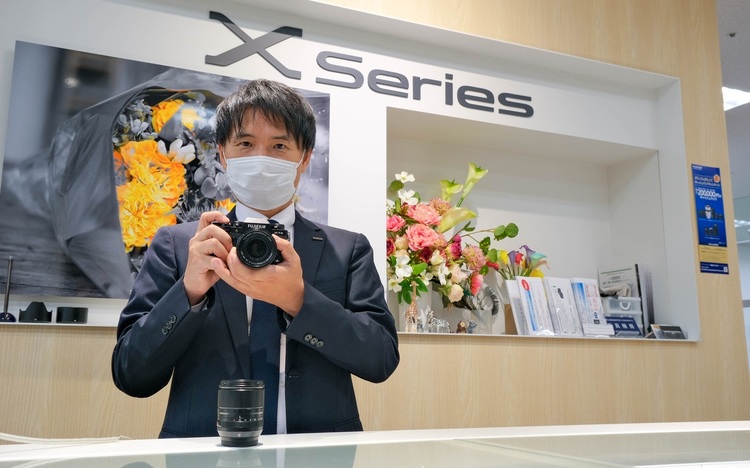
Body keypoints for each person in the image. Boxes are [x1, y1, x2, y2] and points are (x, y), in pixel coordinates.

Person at [111, 79, 400, 438]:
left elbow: (380, 360)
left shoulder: (347, 249)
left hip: (320, 453)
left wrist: (299, 301)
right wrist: (188, 294)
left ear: (305, 157)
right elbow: (131, 374)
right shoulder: (178, 245)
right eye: (245, 143)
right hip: (202, 454)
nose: (261, 159)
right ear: (222, 154)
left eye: (279, 145)